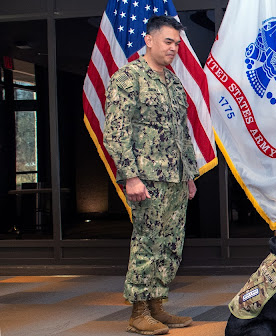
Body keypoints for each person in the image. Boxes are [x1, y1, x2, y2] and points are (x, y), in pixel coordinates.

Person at [103, 15, 198, 335]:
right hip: (147, 178)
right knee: (148, 242)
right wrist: (130, 176)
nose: (174, 48)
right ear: (149, 40)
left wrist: (189, 175)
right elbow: (116, 132)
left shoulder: (172, 81)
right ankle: (138, 311)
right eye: (169, 41)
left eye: (177, 43)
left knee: (171, 243)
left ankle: (157, 305)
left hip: (175, 177)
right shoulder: (128, 78)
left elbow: (182, 133)